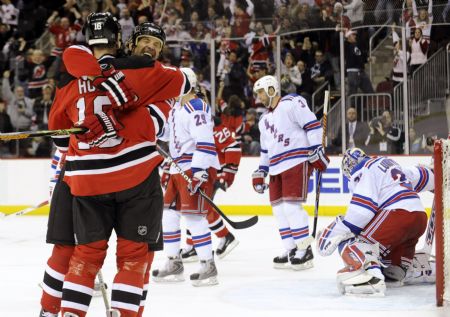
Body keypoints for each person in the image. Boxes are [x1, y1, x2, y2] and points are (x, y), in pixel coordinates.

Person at [45, 13, 190, 317]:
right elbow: (183, 81)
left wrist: (104, 116)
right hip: (134, 176)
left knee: (84, 256)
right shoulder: (148, 75)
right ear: (127, 42)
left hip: (84, 179)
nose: (150, 48)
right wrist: (109, 88)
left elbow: (60, 139)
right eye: (145, 41)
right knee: (135, 258)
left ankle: (62, 311)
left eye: (155, 43)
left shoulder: (70, 78)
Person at [316, 148, 433, 296]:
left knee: (353, 243)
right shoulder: (389, 164)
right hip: (419, 217)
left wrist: (337, 230)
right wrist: (437, 174)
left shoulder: (363, 169)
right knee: (386, 260)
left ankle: (371, 279)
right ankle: (396, 270)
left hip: (397, 215)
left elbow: (362, 211)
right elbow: (422, 175)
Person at [251, 75, 329, 270]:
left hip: (296, 161)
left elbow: (312, 125)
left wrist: (317, 149)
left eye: (261, 92)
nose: (258, 96)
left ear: (272, 90)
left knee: (291, 207)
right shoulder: (264, 119)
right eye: (257, 93)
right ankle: (291, 247)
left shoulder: (293, 103)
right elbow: (265, 150)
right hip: (276, 166)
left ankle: (305, 249)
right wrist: (262, 170)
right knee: (278, 209)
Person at [152, 68, 221, 286]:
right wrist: (150, 126)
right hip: (176, 168)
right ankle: (174, 262)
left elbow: (205, 140)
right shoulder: (175, 109)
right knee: (168, 215)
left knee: (193, 217)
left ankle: (208, 264)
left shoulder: (197, 107)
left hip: (193, 167)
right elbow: (169, 135)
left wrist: (199, 171)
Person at [172, 111, 242, 262]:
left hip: (211, 173)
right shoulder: (191, 124)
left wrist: (227, 174)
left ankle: (224, 236)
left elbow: (233, 147)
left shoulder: (212, 127)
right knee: (193, 209)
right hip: (199, 171)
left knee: (201, 208)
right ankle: (194, 246)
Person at [345, 30, 374, 96]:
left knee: (370, 92)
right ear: (348, 37)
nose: (355, 36)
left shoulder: (356, 45)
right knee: (352, 94)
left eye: (355, 35)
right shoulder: (346, 45)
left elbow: (360, 56)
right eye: (353, 35)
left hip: (361, 71)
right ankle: (349, 106)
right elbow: (337, 41)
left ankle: (371, 105)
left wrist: (367, 59)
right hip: (352, 72)